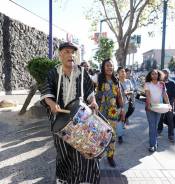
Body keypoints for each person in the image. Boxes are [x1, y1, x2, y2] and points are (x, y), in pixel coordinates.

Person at [40, 42, 100, 184]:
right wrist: (52, 103)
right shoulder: (53, 73)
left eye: (73, 52)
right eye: (66, 51)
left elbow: (90, 92)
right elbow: (46, 93)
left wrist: (94, 101)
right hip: (60, 121)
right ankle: (64, 179)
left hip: (81, 120)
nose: (70, 55)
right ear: (60, 54)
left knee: (84, 151)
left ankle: (85, 180)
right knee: (63, 153)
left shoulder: (83, 72)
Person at [94, 58, 125, 167]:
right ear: (103, 67)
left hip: (113, 112)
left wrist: (122, 110)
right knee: (100, 135)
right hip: (100, 111)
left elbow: (120, 97)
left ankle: (110, 157)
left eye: (111, 65)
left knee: (112, 135)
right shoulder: (98, 79)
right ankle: (97, 155)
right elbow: (92, 95)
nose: (110, 67)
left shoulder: (116, 81)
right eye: (107, 65)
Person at [144, 69, 170, 152]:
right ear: (150, 75)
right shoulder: (147, 84)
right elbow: (148, 96)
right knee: (152, 126)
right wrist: (148, 105)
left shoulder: (161, 84)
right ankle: (152, 145)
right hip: (150, 107)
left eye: (156, 74)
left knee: (155, 126)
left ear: (158, 75)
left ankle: (154, 141)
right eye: (152, 74)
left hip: (159, 107)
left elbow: (165, 95)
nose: (154, 75)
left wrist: (169, 104)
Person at [157, 68, 175, 142]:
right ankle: (159, 130)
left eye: (166, 73)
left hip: (169, 103)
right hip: (161, 103)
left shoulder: (172, 83)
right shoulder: (159, 83)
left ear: (168, 74)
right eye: (163, 73)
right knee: (160, 118)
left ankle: (171, 135)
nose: (165, 74)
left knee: (170, 120)